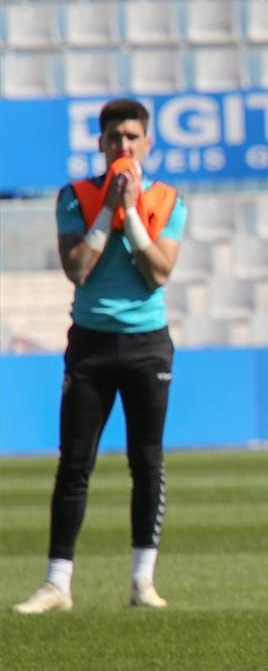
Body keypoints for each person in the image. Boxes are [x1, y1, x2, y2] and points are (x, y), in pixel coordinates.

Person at [13, 98, 187, 614]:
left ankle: (142, 579)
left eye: (133, 138)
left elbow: (157, 272)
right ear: (100, 144)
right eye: (115, 138)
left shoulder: (168, 200)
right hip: (89, 343)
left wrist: (131, 212)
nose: (124, 147)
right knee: (74, 463)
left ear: (147, 143)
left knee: (147, 461)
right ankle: (57, 583)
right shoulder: (76, 196)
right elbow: (77, 270)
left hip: (146, 343)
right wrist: (110, 208)